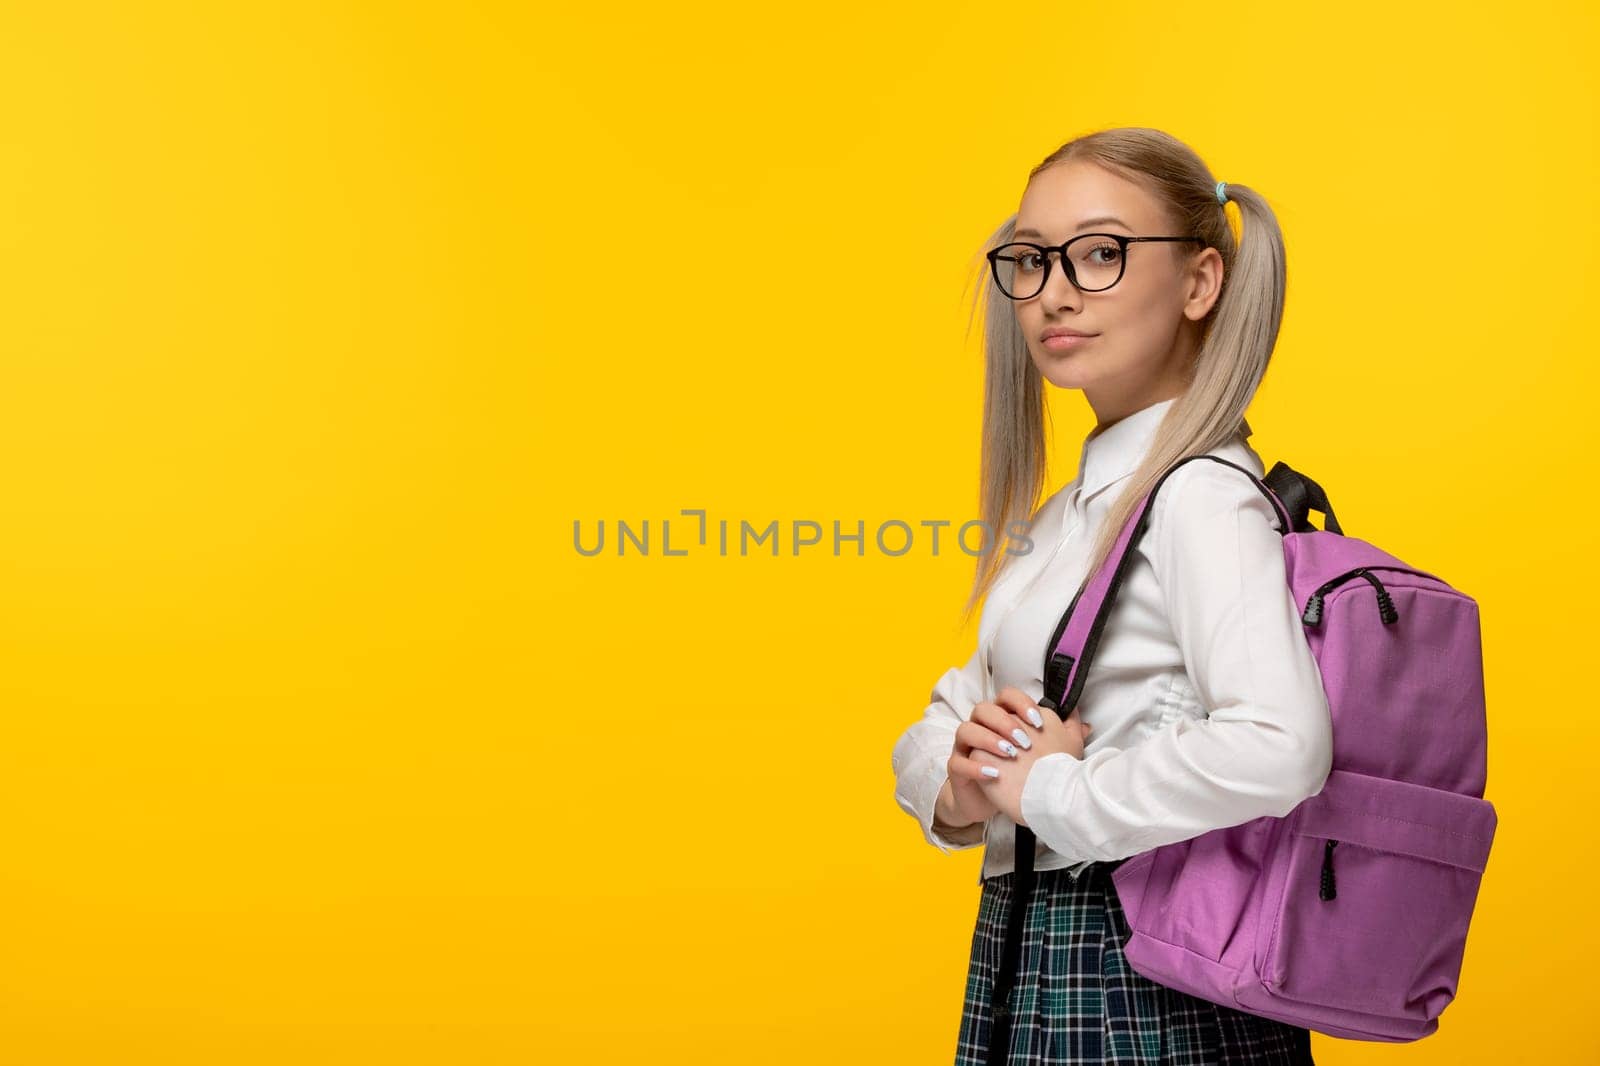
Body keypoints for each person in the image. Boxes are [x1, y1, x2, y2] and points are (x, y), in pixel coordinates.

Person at [889, 127, 1332, 1065]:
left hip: (1139, 961)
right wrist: (964, 782)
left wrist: (1052, 788)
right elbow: (947, 713)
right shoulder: (1074, 511)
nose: (1054, 291)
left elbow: (1282, 746)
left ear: (1202, 283)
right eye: (1031, 258)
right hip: (1033, 946)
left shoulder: (1200, 495)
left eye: (1099, 254)